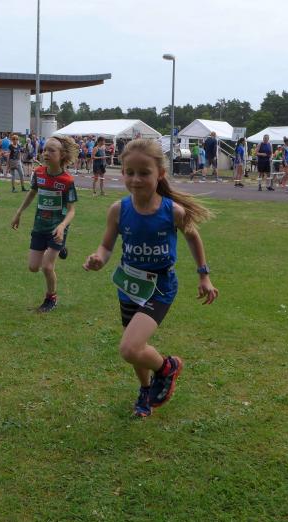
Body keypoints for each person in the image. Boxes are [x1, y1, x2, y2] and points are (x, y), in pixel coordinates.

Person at [83, 139, 218, 418]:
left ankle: (168, 367)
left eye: (144, 173)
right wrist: (98, 259)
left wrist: (204, 275)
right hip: (129, 285)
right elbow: (106, 246)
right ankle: (146, 389)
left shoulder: (173, 211)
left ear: (160, 174)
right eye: (129, 172)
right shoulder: (118, 210)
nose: (135, 179)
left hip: (160, 287)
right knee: (136, 347)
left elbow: (193, 237)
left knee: (129, 347)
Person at [11, 135, 78, 313]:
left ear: (62, 155)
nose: (46, 153)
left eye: (51, 150)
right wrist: (18, 213)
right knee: (33, 267)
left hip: (57, 229)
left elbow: (71, 210)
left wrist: (62, 226)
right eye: (44, 150)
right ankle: (60, 249)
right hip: (40, 226)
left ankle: (51, 298)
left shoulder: (67, 181)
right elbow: (32, 193)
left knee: (47, 267)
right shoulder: (39, 173)